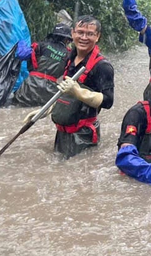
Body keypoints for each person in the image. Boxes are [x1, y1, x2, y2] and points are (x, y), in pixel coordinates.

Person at [25, 16, 114, 158]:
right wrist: (44, 110)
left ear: (97, 36)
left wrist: (78, 92)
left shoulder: (103, 67)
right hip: (62, 132)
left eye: (90, 34)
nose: (84, 37)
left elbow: (108, 101)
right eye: (80, 32)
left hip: (83, 135)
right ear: (72, 33)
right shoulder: (69, 58)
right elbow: (64, 94)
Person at [11, 23, 72, 107]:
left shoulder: (41, 46)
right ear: (67, 39)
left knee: (17, 109)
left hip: (29, 87)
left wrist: (21, 42)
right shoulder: (69, 54)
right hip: (50, 91)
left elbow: (21, 54)